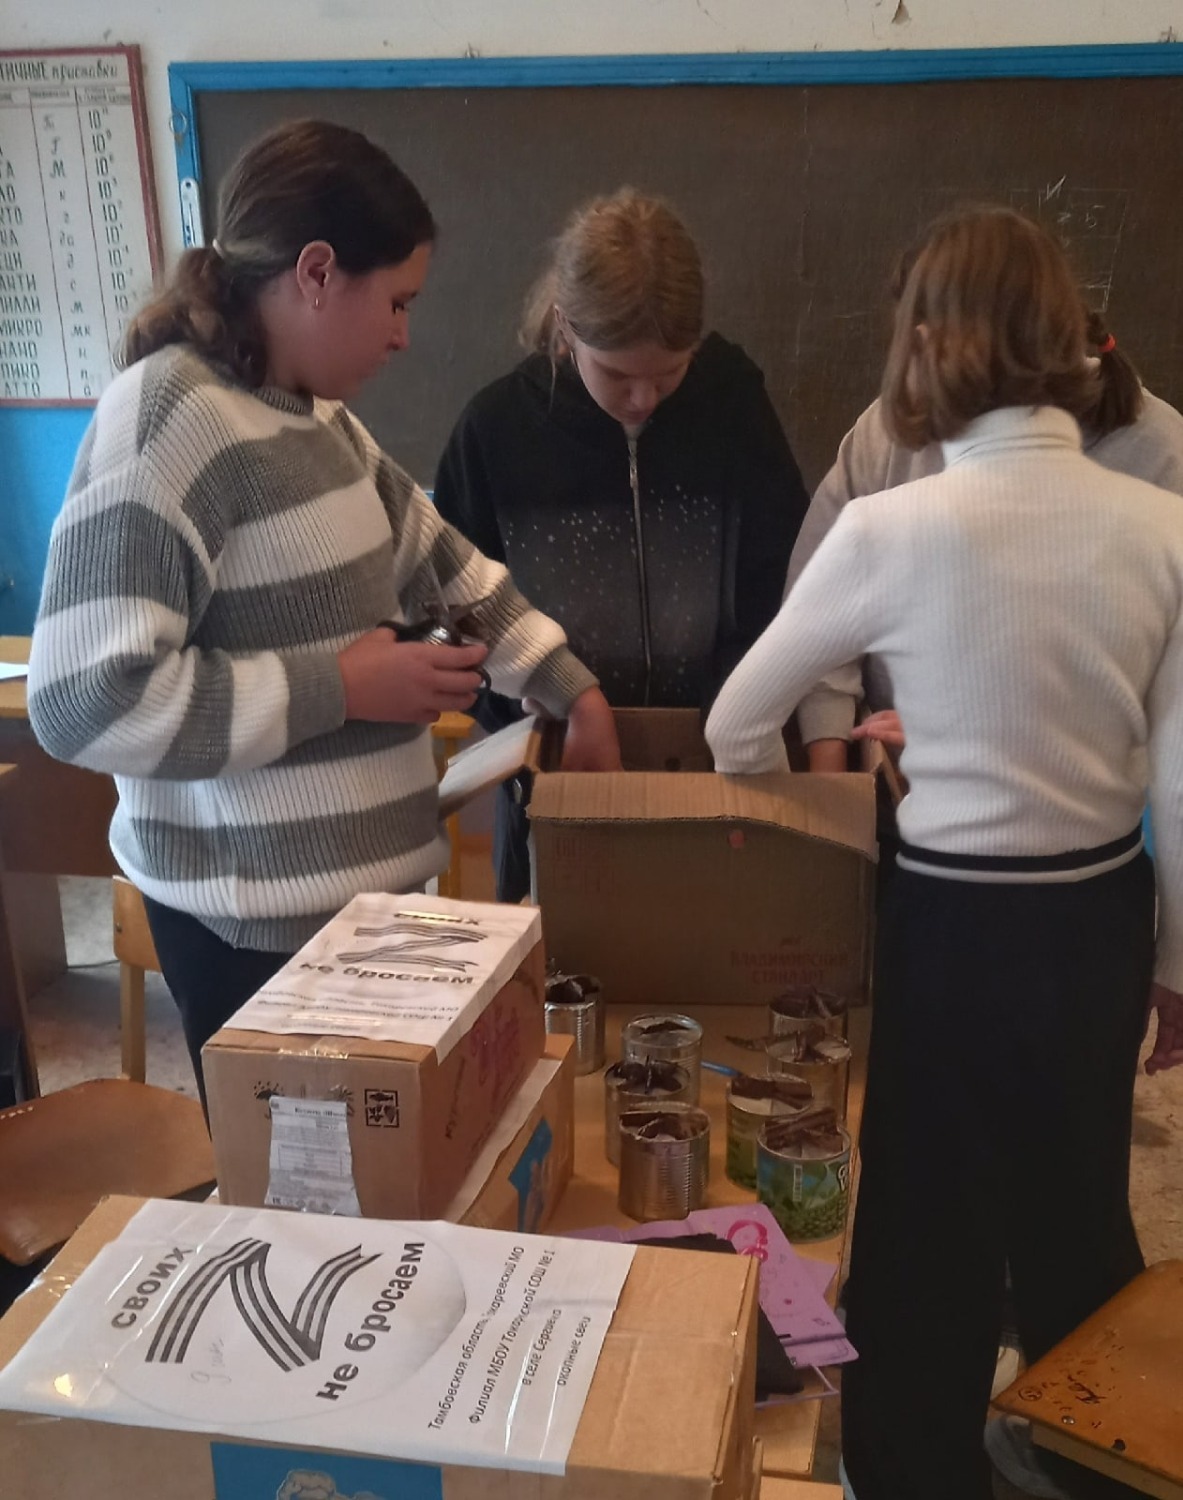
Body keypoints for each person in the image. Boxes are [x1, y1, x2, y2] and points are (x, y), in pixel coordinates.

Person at [704, 205, 1183, 1500]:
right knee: (1076, 1205)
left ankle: (913, 1472)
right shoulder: (1160, 522)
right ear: (1072, 341)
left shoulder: (885, 526)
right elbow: (1180, 783)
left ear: (920, 349)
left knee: (925, 1225)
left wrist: (814, 815)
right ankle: (1099, 1466)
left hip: (948, 925)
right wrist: (1177, 971)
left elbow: (736, 721)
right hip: (1096, 917)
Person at [27, 119, 620, 1107]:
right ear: (314, 273)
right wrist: (339, 687)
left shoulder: (322, 421)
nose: (402, 335)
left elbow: (447, 567)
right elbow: (84, 701)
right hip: (252, 937)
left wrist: (571, 690)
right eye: (395, 301)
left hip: (364, 919)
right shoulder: (170, 415)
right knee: (305, 1190)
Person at [433, 188, 808, 900]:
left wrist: (737, 709)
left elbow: (784, 576)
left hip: (718, 768)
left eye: (669, 374)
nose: (644, 399)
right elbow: (451, 616)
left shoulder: (732, 402)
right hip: (555, 780)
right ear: (565, 328)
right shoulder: (496, 431)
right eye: (618, 375)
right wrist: (531, 709)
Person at [791, 310, 1183, 774]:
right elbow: (816, 623)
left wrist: (982, 741)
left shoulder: (1159, 459)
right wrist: (834, 781)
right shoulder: (900, 425)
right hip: (895, 774)